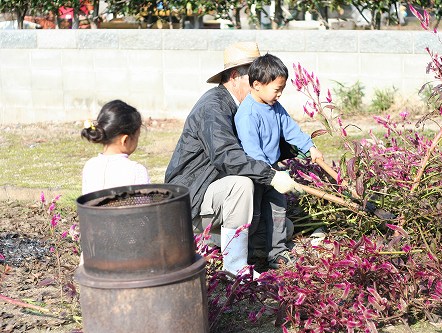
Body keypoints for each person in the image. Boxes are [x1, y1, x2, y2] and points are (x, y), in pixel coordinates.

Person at [164, 42, 302, 277]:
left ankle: (218, 240)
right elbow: (227, 156)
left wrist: (300, 148)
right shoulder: (213, 107)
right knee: (242, 184)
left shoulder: (251, 105)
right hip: (193, 200)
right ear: (236, 76)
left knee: (283, 229)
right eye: (255, 75)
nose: (261, 82)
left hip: (219, 199)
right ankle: (235, 266)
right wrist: (270, 175)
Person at [235, 53, 324, 268]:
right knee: (253, 215)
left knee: (277, 210)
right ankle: (247, 253)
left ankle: (277, 252)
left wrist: (309, 147)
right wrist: (272, 175)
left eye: (282, 89)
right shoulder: (247, 115)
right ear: (257, 85)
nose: (280, 94)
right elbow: (252, 153)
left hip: (273, 170)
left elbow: (290, 128)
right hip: (255, 174)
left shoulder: (275, 107)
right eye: (277, 89)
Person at [81, 99, 150, 195]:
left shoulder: (90, 166)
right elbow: (145, 208)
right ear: (125, 140)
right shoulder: (136, 170)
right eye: (137, 137)